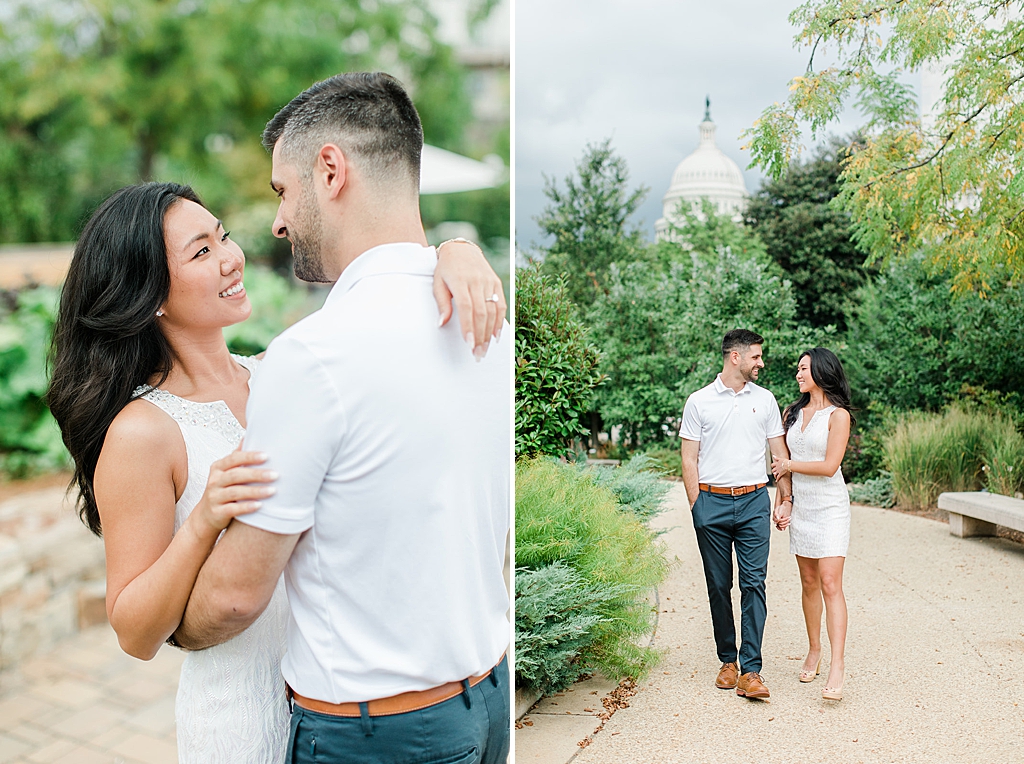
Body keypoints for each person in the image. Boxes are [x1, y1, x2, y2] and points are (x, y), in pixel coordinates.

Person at [46, 176, 505, 763]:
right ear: (150, 293)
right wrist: (203, 522)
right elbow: (134, 632)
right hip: (243, 715)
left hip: (335, 705)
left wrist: (452, 252)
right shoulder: (143, 432)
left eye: (224, 236)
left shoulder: (278, 374)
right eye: (202, 251)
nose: (232, 258)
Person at [170, 72, 510, 764]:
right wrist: (457, 248)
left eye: (281, 191)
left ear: (330, 170)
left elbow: (235, 599)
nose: (276, 221)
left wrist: (172, 627)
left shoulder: (313, 356)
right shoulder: (491, 317)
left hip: (378, 735)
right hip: (487, 701)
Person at [679, 329, 793, 701]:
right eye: (756, 357)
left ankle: (751, 670)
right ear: (735, 357)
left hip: (753, 502)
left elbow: (779, 455)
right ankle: (727, 660)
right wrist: (698, 507)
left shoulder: (766, 400)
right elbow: (688, 458)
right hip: (710, 503)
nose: (761, 363)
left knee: (754, 584)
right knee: (718, 585)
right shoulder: (699, 401)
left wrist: (784, 497)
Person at [771, 347, 853, 702]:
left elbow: (829, 465)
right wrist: (784, 500)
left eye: (803, 368)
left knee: (831, 582)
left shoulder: (839, 416)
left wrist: (788, 467)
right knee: (808, 582)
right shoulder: (791, 413)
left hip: (831, 507)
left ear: (821, 371)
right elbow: (780, 464)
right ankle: (814, 650)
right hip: (801, 506)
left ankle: (837, 665)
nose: (798, 375)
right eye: (797, 370)